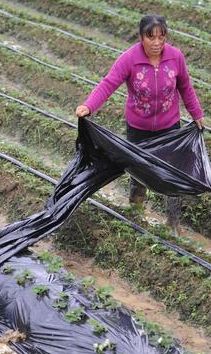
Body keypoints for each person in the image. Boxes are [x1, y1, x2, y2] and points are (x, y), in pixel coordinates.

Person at [76, 14, 204, 234]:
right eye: (151, 37)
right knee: (138, 172)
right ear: (141, 36)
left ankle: (173, 223)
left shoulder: (175, 57)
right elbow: (109, 84)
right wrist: (89, 106)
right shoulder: (129, 59)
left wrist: (197, 114)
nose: (156, 43)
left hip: (169, 127)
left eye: (161, 37)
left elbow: (185, 87)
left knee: (171, 174)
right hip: (139, 129)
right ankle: (136, 214)